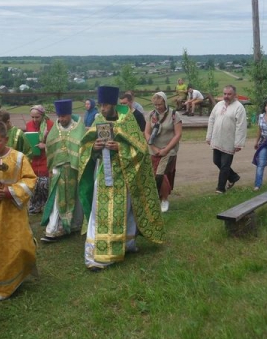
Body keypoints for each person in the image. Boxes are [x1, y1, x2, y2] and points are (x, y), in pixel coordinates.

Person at [78, 86, 164, 271]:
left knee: (123, 213)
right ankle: (96, 252)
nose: (102, 109)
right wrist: (95, 147)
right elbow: (84, 146)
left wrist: (120, 148)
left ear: (114, 104)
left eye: (106, 105)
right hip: (102, 176)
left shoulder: (128, 120)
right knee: (98, 214)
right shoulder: (98, 120)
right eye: (100, 105)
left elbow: (141, 150)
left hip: (123, 175)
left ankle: (125, 244)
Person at [0, 121, 37, 299]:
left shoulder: (19, 158)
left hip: (13, 211)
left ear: (6, 139)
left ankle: (15, 277)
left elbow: (30, 180)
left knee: (17, 243)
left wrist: (9, 191)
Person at [41, 99, 85, 242]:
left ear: (70, 114)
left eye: (64, 116)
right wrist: (52, 167)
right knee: (57, 198)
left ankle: (74, 224)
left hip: (73, 169)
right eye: (59, 116)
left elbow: (82, 146)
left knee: (75, 197)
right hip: (58, 170)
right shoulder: (55, 128)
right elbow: (50, 146)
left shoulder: (78, 127)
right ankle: (54, 229)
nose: (61, 119)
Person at [144, 92, 182, 212]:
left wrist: (166, 149)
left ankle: (164, 199)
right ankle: (156, 197)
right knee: (153, 175)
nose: (158, 107)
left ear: (165, 102)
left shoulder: (174, 115)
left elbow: (178, 134)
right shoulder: (151, 115)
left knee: (161, 174)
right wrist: (154, 148)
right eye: (155, 105)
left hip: (168, 150)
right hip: (153, 150)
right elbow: (147, 133)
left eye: (160, 104)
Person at [206, 85, 248, 194]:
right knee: (216, 161)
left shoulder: (239, 107)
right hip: (217, 138)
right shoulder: (219, 105)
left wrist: (239, 143)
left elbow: (241, 126)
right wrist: (209, 136)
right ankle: (233, 177)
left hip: (230, 141)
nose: (226, 96)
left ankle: (220, 188)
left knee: (225, 165)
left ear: (234, 95)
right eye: (225, 94)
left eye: (229, 94)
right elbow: (211, 120)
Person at [25, 105, 54, 214]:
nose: (34, 120)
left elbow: (55, 143)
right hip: (34, 159)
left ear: (42, 115)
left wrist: (45, 145)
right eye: (32, 117)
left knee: (44, 184)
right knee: (34, 184)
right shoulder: (28, 125)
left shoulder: (50, 125)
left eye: (37, 117)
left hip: (45, 158)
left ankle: (47, 206)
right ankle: (35, 206)